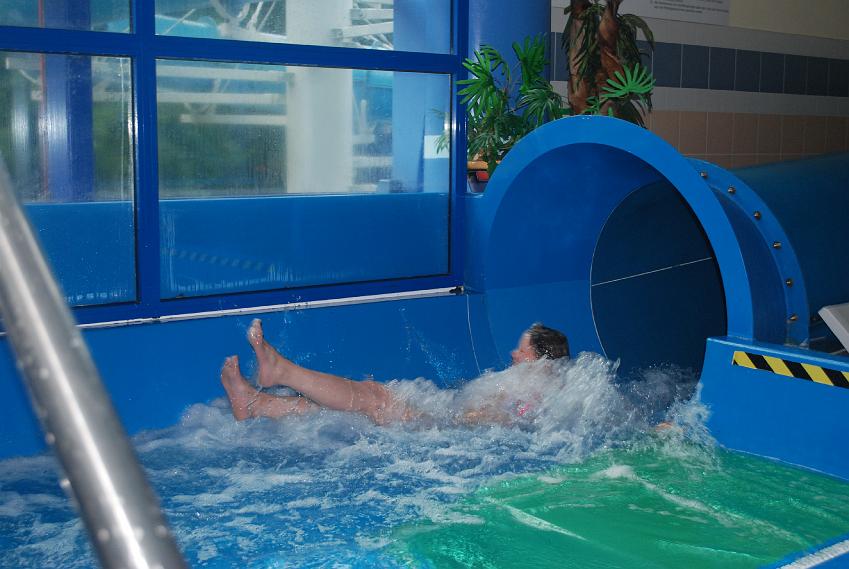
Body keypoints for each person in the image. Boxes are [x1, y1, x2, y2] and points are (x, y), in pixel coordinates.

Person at [220, 319, 569, 425]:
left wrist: (459, 416)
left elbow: (500, 421)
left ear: (540, 360)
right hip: (445, 419)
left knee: (374, 397)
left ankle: (281, 370)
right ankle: (255, 405)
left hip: (444, 428)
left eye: (521, 349)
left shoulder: (534, 393)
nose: (512, 353)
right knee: (344, 409)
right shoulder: (531, 388)